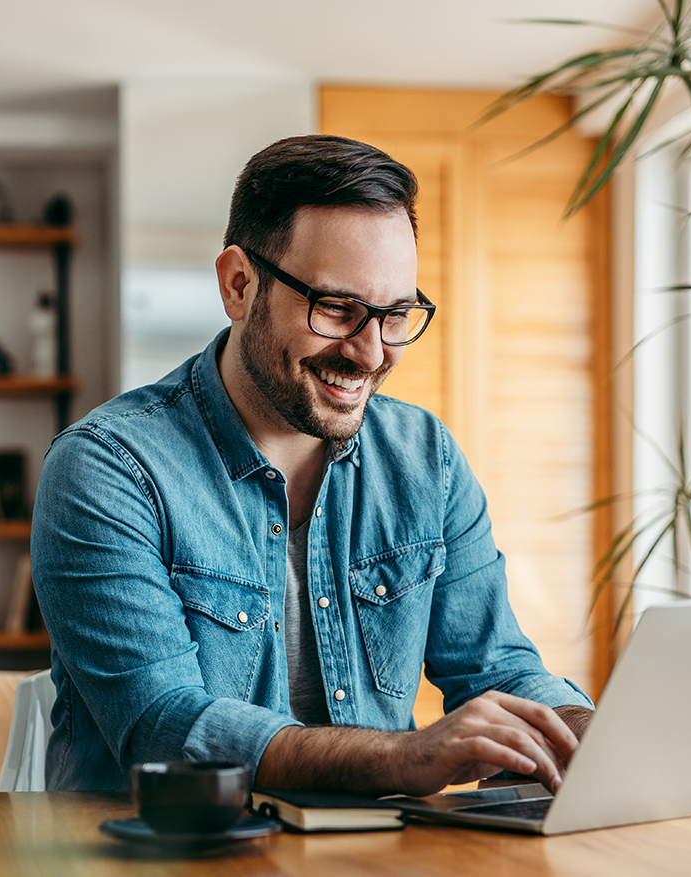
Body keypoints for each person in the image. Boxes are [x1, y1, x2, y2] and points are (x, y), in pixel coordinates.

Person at [31, 134, 594, 797]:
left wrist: (590, 732)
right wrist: (406, 758)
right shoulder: (107, 469)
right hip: (165, 845)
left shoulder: (426, 458)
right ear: (239, 285)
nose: (371, 353)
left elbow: (496, 667)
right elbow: (164, 725)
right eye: (336, 309)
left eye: (395, 315)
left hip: (377, 846)